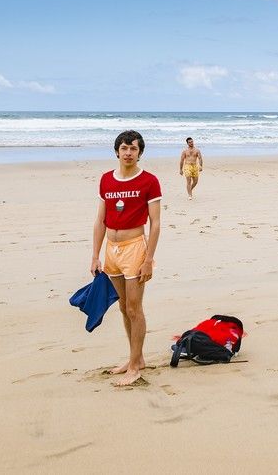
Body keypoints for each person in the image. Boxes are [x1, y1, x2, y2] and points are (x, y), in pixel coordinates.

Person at [90, 130, 162, 386]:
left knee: (134, 308)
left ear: (140, 152)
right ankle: (136, 358)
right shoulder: (106, 180)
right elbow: (100, 220)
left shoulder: (149, 181)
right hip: (112, 248)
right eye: (124, 148)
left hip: (134, 248)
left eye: (133, 148)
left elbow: (155, 224)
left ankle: (135, 366)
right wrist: (95, 256)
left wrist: (148, 259)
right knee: (122, 307)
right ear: (117, 151)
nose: (128, 152)